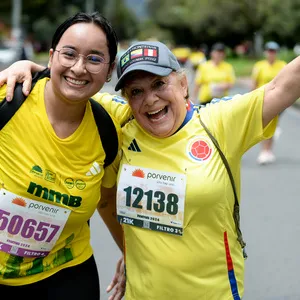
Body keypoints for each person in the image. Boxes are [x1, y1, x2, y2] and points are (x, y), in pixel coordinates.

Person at [2, 39, 300, 299]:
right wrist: (34, 68)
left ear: (183, 84)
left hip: (213, 293)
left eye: (159, 84)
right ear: (127, 100)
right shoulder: (122, 122)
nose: (150, 99)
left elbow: (284, 84)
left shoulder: (220, 122)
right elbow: (73, 85)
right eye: (136, 91)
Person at [0, 11, 124, 300]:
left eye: (94, 59)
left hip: (65, 275)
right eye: (69, 54)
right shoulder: (8, 99)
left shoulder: (111, 126)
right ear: (52, 56)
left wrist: (131, 255)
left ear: (109, 70)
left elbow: (105, 198)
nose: (79, 68)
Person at [251, 41, 287, 165]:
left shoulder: (282, 65)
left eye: (274, 51)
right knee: (266, 124)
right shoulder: (259, 66)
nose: (271, 54)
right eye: (270, 51)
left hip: (279, 100)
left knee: (271, 123)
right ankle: (265, 151)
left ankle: (267, 150)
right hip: (263, 99)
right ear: (266, 52)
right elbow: (254, 83)